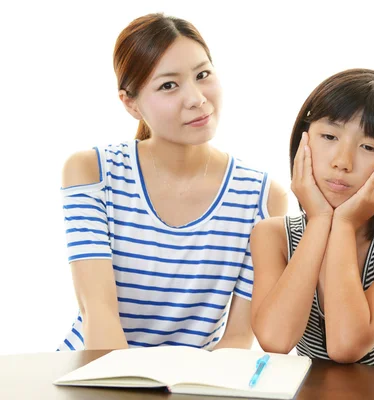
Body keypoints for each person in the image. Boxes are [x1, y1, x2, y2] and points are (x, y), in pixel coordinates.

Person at [57, 13, 287, 351]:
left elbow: (238, 337)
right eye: (168, 85)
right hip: (97, 374)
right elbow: (98, 313)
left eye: (203, 74)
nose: (196, 98)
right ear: (130, 103)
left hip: (191, 382)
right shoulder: (92, 172)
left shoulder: (262, 197)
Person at [250, 69, 374, 373]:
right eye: (329, 137)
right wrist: (321, 220)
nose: (342, 162)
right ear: (303, 139)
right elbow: (275, 340)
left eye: (369, 147)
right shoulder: (273, 235)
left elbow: (345, 345)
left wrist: (344, 224)